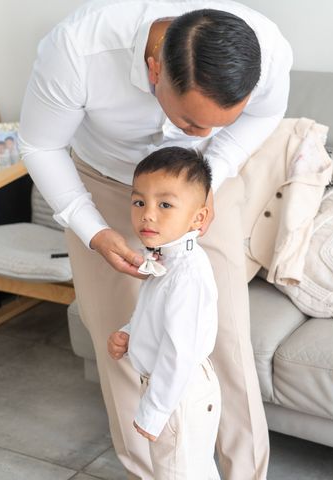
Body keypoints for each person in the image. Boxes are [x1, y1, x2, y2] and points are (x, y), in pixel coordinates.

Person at [19, 1, 292, 478]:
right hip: (104, 182)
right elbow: (40, 144)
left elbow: (264, 117)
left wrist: (208, 179)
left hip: (204, 181)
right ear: (153, 71)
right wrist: (93, 230)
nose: (200, 132)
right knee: (123, 346)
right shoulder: (76, 51)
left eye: (216, 122)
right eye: (190, 122)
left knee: (224, 336)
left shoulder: (267, 49)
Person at [109, 147, 220, 479]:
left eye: (165, 205)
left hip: (178, 393)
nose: (148, 215)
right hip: (175, 387)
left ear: (198, 218)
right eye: (139, 202)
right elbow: (158, 318)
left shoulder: (186, 275)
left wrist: (155, 411)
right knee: (192, 470)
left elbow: (178, 352)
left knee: (176, 472)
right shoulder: (168, 260)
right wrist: (131, 332)